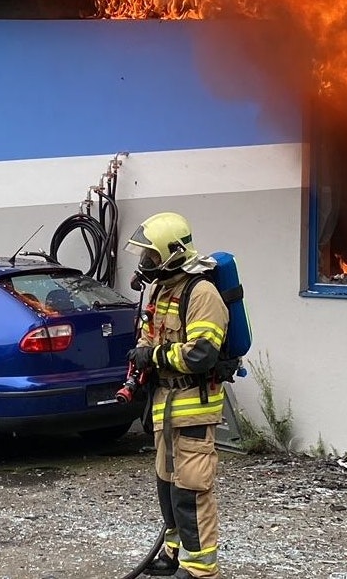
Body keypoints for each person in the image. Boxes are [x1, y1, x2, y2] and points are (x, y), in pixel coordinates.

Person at [125, 212, 230, 579]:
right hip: (163, 408)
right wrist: (140, 357)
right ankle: (173, 553)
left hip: (193, 410)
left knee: (191, 491)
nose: (144, 265)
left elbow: (203, 354)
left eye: (150, 257)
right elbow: (149, 335)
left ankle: (200, 568)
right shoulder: (160, 290)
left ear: (172, 254)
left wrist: (153, 356)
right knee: (167, 487)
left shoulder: (202, 293)